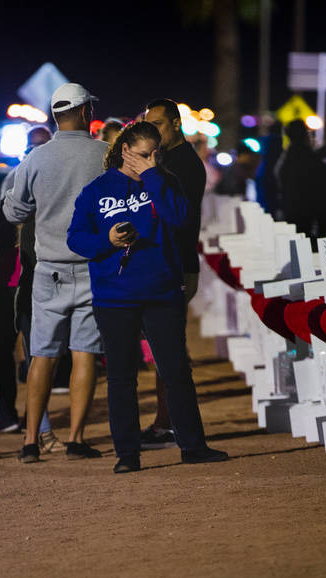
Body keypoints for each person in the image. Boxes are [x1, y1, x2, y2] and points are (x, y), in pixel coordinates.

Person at [67, 122, 229, 473]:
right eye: (143, 154)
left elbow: (181, 218)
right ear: (124, 151)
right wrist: (106, 241)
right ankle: (127, 454)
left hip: (162, 293)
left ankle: (193, 446)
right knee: (122, 377)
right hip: (115, 297)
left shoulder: (164, 181)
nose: (150, 160)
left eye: (156, 154)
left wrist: (153, 175)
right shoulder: (96, 190)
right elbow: (76, 238)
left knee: (175, 371)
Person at [3, 82, 108, 463]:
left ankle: (32, 441)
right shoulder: (105, 155)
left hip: (49, 270)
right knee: (85, 354)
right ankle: (77, 438)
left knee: (42, 356)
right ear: (85, 112)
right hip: (94, 267)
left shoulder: (36, 159)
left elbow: (13, 212)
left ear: (55, 117)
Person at [139, 98, 209, 449]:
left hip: (177, 265)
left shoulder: (183, 164)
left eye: (159, 125)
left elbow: (173, 217)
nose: (153, 132)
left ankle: (170, 424)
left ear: (176, 124)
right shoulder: (168, 160)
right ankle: (167, 421)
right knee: (164, 349)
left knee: (169, 351)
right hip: (169, 265)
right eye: (148, 125)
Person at [0, 125, 52, 437]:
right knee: (1, 348)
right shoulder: (16, 181)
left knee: (38, 350)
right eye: (32, 147)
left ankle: (37, 421)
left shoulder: (55, 183)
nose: (36, 153)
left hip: (36, 280)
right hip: (7, 281)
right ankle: (8, 412)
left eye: (42, 146)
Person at [276, 119, 326, 244]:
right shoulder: (303, 156)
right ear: (304, 135)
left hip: (293, 213)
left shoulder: (289, 157)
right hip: (307, 217)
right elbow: (323, 163)